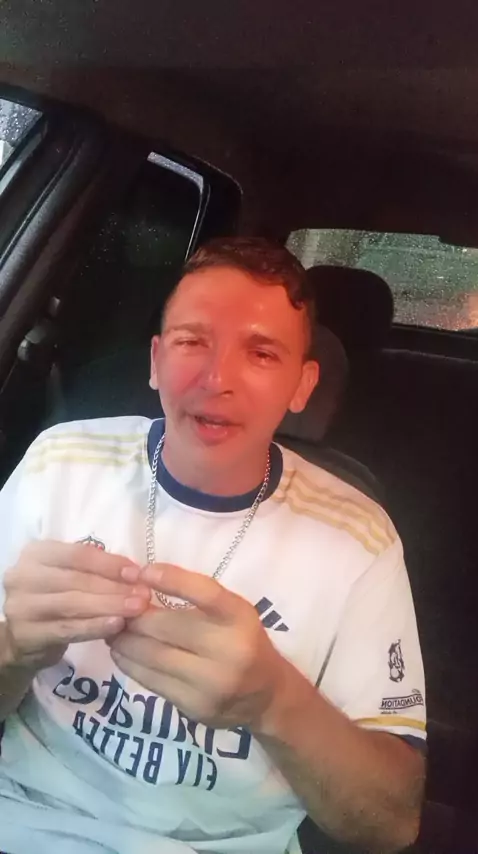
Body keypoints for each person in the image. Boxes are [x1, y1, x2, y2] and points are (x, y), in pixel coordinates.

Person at [0, 237, 426, 854]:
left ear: (302, 385)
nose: (217, 379)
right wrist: (13, 649)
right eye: (192, 342)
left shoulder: (358, 540)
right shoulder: (60, 461)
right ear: (155, 361)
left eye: (261, 353)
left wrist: (274, 700)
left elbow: (392, 823)